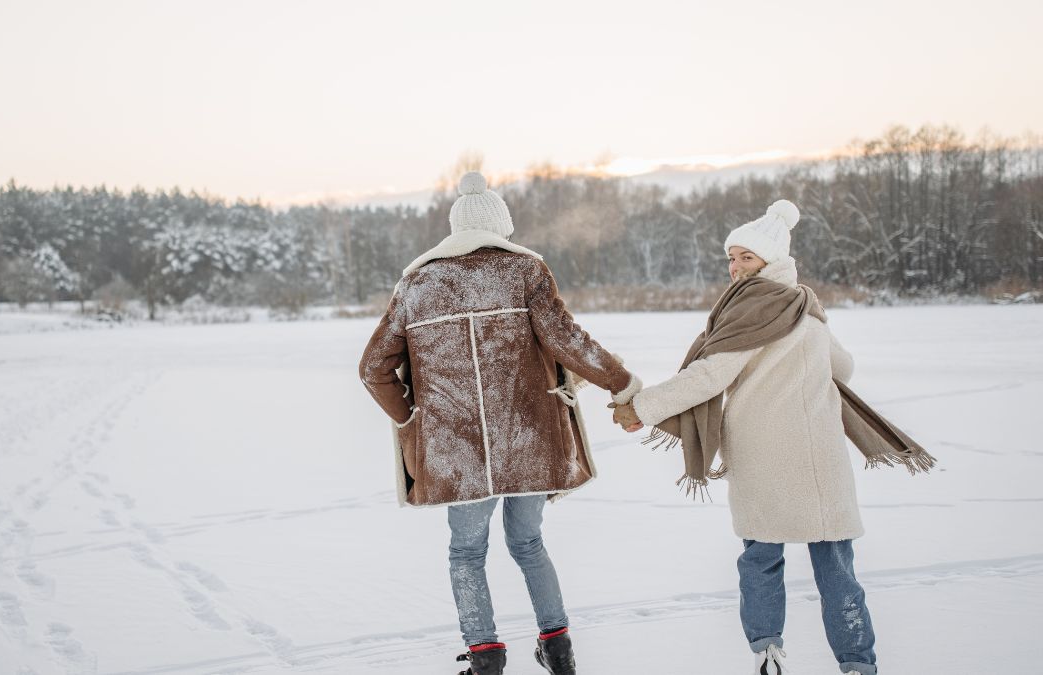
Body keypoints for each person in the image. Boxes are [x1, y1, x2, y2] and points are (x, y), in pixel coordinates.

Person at [613, 200, 934, 675]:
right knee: (835, 566)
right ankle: (858, 664)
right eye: (732, 257)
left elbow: (710, 375)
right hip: (820, 456)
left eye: (747, 257)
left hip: (767, 455)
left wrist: (643, 407)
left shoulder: (753, 308)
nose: (735, 266)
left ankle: (768, 653)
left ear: (771, 260)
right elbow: (842, 367)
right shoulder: (805, 305)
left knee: (762, 559)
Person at [359, 171, 640, 675]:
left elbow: (372, 368)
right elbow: (567, 340)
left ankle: (486, 657)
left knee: (466, 553)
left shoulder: (417, 284)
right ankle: (558, 649)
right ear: (499, 227)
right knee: (528, 542)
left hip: (454, 451)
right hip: (528, 438)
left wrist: (413, 419)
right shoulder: (525, 271)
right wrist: (620, 383)